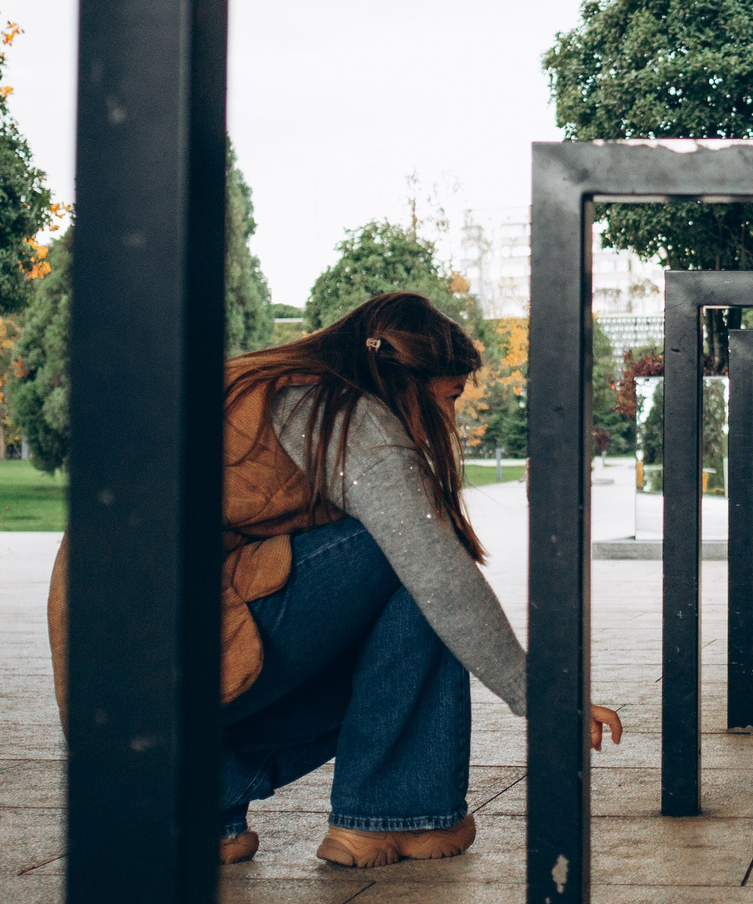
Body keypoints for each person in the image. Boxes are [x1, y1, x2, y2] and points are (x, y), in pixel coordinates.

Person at [48, 290, 623, 870]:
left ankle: (195, 799)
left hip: (122, 692)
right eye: (449, 398)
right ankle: (395, 814)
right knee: (415, 555)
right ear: (403, 378)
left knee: (407, 564)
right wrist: (545, 699)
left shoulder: (279, 388)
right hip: (165, 660)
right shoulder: (338, 411)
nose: (450, 419)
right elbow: (436, 570)